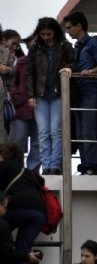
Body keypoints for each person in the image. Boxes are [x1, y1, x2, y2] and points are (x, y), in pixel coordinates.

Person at [62, 11, 97, 175]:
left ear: (78, 27)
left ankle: (92, 165)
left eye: (69, 28)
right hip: (80, 94)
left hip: (92, 92)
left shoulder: (93, 43)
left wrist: (91, 71)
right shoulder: (77, 46)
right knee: (81, 132)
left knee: (89, 130)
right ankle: (85, 164)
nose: (67, 31)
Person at [26, 17, 74, 175]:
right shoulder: (35, 47)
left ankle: (55, 165)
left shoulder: (65, 45)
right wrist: (31, 94)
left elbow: (74, 62)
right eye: (43, 34)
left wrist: (68, 69)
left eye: (49, 34)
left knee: (55, 131)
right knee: (43, 132)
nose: (46, 37)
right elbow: (29, 72)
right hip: (40, 95)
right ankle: (47, 166)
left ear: (55, 32)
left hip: (58, 93)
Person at [0, 142, 46, 258]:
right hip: (39, 213)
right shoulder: (29, 173)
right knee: (24, 251)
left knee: (2, 238)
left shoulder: (4, 166)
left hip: (17, 208)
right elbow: (41, 182)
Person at [9, 35, 41, 173]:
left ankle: (33, 172)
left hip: (40, 109)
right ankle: (17, 171)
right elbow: (13, 83)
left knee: (37, 143)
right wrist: (18, 98)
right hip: (21, 109)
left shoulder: (46, 62)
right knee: (18, 141)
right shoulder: (21, 62)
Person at [0, 190, 42, 263]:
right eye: (5, 206)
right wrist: (28, 257)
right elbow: (8, 255)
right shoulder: (2, 225)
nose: (5, 211)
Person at [0, 30, 18, 143]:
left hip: (1, 97)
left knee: (2, 135)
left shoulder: (6, 53)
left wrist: (8, 70)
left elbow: (13, 77)